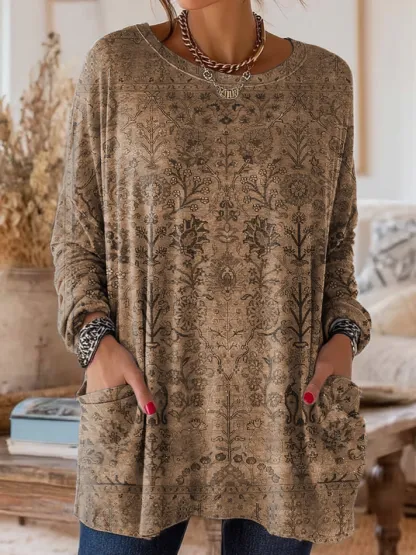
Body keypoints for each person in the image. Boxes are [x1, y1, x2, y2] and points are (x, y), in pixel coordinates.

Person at [50, 0, 372, 553]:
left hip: (286, 414)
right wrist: (95, 345)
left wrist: (343, 337)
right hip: (142, 406)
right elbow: (76, 236)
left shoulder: (326, 83)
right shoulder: (117, 66)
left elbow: (336, 249)